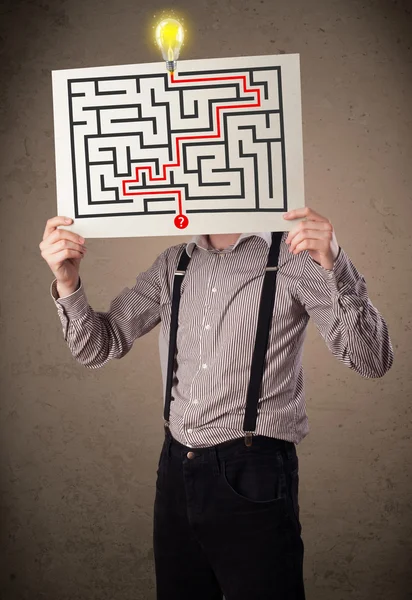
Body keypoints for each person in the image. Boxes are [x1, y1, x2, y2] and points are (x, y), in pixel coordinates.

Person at [40, 206, 394, 600]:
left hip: (253, 470)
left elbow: (372, 359)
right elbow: (97, 347)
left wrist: (336, 265)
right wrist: (68, 282)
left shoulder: (296, 258)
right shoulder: (174, 263)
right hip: (175, 469)